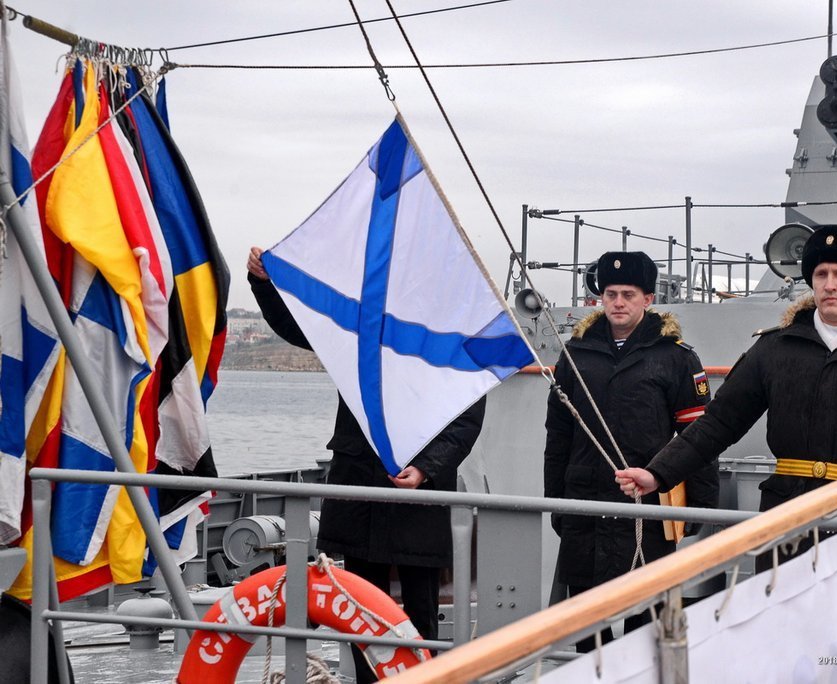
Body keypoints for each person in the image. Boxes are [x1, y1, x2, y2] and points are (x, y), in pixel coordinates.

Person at [615, 226, 837, 567]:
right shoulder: (774, 348)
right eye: (821, 274)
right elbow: (719, 423)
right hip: (785, 522)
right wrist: (657, 474)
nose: (829, 284)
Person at [247, 246, 485, 683]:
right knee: (359, 615)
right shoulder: (358, 327)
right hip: (360, 488)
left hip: (418, 497)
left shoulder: (452, 341)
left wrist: (427, 468)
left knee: (419, 617)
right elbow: (299, 325)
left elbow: (468, 418)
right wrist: (263, 285)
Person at [544, 250, 718, 651]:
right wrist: (555, 500)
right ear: (599, 299)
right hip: (584, 502)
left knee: (646, 619)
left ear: (647, 299)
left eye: (628, 294)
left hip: (647, 507)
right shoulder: (576, 355)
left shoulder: (675, 358)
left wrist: (698, 508)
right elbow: (558, 435)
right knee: (588, 622)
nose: (618, 303)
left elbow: (699, 438)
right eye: (610, 294)